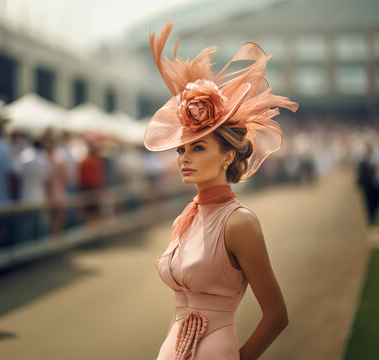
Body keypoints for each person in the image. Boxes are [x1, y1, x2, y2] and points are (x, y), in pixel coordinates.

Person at [144, 21, 298, 360]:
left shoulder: (239, 223)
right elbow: (181, 309)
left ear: (228, 155)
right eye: (182, 149)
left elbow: (277, 315)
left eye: (198, 148)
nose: (184, 156)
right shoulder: (184, 219)